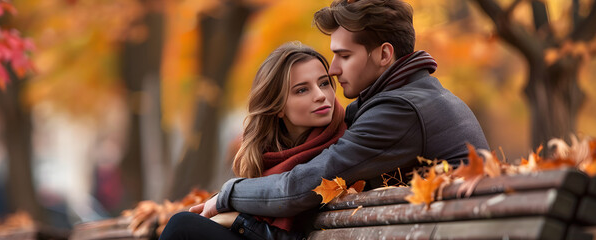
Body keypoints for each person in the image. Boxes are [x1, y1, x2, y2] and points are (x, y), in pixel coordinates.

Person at [192, 0, 489, 232]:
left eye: (344, 56)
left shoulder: (399, 111)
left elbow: (299, 189)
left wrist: (227, 193)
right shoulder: (404, 97)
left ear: (384, 55)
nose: (333, 69)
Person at [160, 42, 346, 240]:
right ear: (278, 107)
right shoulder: (266, 157)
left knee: (183, 226)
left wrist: (237, 220)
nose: (320, 96)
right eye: (302, 90)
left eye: (324, 83)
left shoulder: (342, 147)